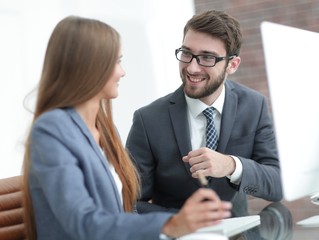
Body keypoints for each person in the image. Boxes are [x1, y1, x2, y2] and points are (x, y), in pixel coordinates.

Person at [22, 16, 232, 240]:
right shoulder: (52, 129)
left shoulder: (104, 128)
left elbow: (124, 211)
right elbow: (82, 222)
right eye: (116, 61)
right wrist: (171, 224)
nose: (122, 72)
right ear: (89, 66)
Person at [126, 9, 283, 217]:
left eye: (207, 57)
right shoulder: (148, 120)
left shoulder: (254, 105)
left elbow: (277, 184)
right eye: (186, 53)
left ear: (232, 65)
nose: (192, 67)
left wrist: (231, 165)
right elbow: (130, 203)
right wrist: (182, 220)